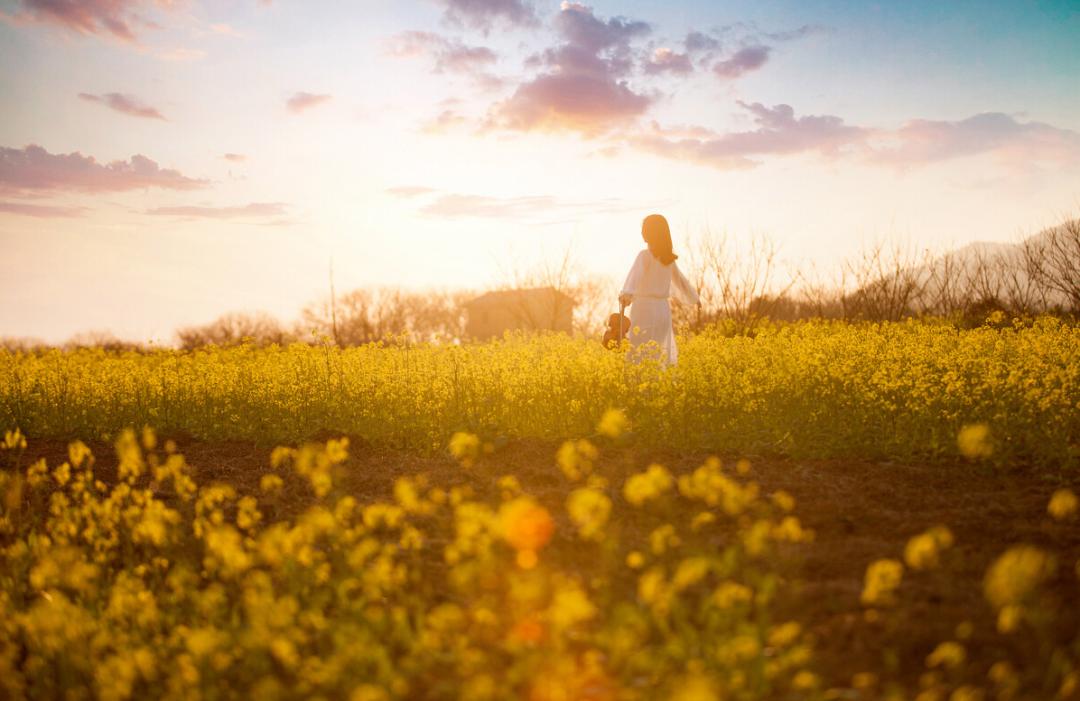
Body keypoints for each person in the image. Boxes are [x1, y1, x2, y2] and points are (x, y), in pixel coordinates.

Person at [618, 214, 699, 365]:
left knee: (639, 353)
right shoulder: (668, 260)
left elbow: (634, 278)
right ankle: (658, 386)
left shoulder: (644, 256)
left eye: (644, 229)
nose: (642, 233)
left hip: (644, 309)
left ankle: (639, 387)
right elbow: (681, 282)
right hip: (662, 310)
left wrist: (626, 295)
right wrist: (695, 298)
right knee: (658, 355)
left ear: (651, 233)